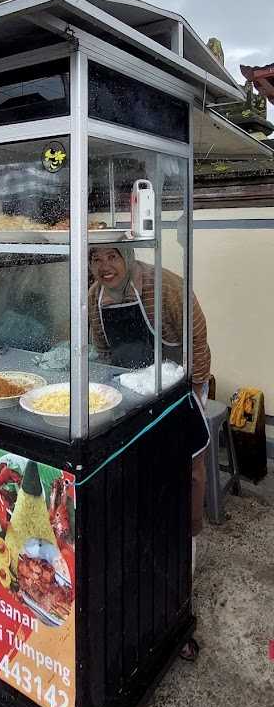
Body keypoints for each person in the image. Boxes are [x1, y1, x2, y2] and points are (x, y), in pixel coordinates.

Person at [88, 244, 210, 615]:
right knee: (139, 473)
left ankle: (187, 543)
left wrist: (195, 391)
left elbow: (196, 341)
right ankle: (144, 549)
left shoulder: (165, 286)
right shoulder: (94, 299)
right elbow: (102, 352)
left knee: (187, 468)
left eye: (113, 256)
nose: (104, 266)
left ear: (128, 257)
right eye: (95, 258)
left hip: (177, 385)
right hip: (129, 391)